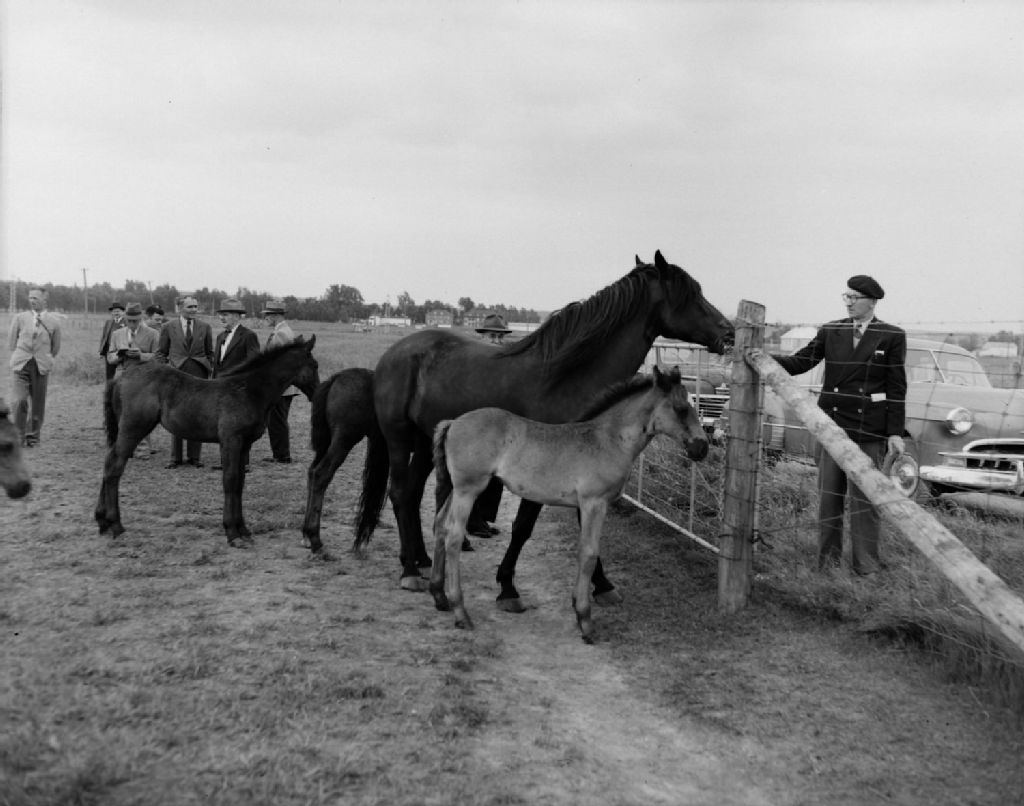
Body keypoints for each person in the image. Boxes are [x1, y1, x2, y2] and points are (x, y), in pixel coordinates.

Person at [768, 275, 906, 576]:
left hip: (868, 429)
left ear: (872, 301)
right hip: (832, 427)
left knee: (864, 500)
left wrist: (895, 431)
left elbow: (896, 387)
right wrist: (763, 357)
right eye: (847, 296)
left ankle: (866, 566)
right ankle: (827, 565)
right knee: (829, 499)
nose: (849, 303)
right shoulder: (831, 331)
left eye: (855, 297)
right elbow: (801, 362)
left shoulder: (891, 336)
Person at [466, 313, 513, 538]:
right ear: (482, 336)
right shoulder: (473, 360)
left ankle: (482, 519)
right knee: (476, 473)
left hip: (496, 424)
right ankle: (472, 521)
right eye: (492, 336)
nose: (496, 341)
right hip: (476, 423)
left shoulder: (505, 362)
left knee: (495, 474)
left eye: (500, 337)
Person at [155, 295, 214, 468]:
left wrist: (208, 369)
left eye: (195, 306)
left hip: (198, 375)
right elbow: (160, 353)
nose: (194, 310)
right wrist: (166, 370)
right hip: (176, 376)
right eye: (190, 307)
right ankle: (176, 458)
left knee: (198, 414)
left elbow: (209, 352)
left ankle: (195, 457)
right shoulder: (168, 327)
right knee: (176, 415)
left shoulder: (205, 327)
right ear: (180, 308)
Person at [8, 288, 62, 447]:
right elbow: (12, 343)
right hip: (21, 364)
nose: (32, 301)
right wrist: (22, 354)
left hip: (41, 366)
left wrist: (44, 358)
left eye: (36, 298)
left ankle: (32, 437)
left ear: (45, 300)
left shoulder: (54, 322)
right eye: (30, 298)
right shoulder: (20, 318)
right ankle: (18, 437)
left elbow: (55, 348)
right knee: (19, 400)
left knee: (38, 404)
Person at [212, 298, 261, 470]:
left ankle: (243, 462)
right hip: (220, 389)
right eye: (221, 315)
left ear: (236, 316)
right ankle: (225, 461)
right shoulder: (220, 337)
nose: (221, 318)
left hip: (239, 391)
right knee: (223, 425)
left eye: (225, 315)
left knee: (240, 427)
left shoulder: (248, 336)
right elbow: (217, 364)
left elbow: (254, 364)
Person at [108, 302, 161, 457]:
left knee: (141, 413)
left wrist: (141, 355)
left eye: (135, 321)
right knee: (120, 411)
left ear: (141, 318)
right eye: (129, 320)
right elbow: (110, 357)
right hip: (122, 376)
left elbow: (159, 357)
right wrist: (119, 355)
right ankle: (124, 446)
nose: (132, 324)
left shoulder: (152, 334)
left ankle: (142, 448)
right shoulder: (117, 334)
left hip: (142, 378)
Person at [260, 299, 299, 464]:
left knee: (277, 421)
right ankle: (280, 454)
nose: (266, 318)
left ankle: (282, 455)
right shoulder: (285, 331)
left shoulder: (281, 334)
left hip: (280, 387)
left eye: (268, 315)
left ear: (276, 315)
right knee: (277, 420)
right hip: (285, 386)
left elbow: (279, 363)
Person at [99, 301, 126, 382]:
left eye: (118, 311)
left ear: (122, 312)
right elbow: (104, 337)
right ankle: (109, 388)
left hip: (123, 350)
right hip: (110, 350)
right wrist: (102, 352)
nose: (116, 313)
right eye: (114, 311)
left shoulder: (127, 322)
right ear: (112, 313)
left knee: (124, 371)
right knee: (109, 373)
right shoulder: (108, 322)